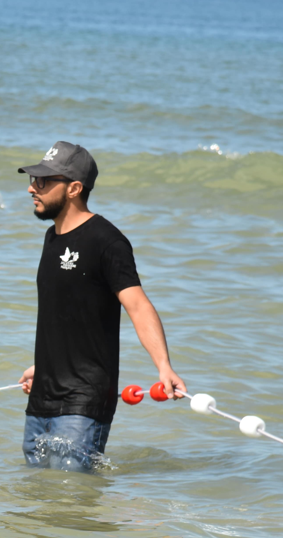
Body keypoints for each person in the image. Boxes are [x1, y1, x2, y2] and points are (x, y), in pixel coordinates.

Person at [17, 141, 185, 472]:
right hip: (42, 399)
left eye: (43, 182)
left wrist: (164, 366)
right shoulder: (52, 238)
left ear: (74, 188)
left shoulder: (107, 241)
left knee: (73, 501)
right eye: (34, 180)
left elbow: (138, 305)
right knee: (37, 499)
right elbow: (65, 314)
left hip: (84, 401)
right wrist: (46, 366)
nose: (31, 188)